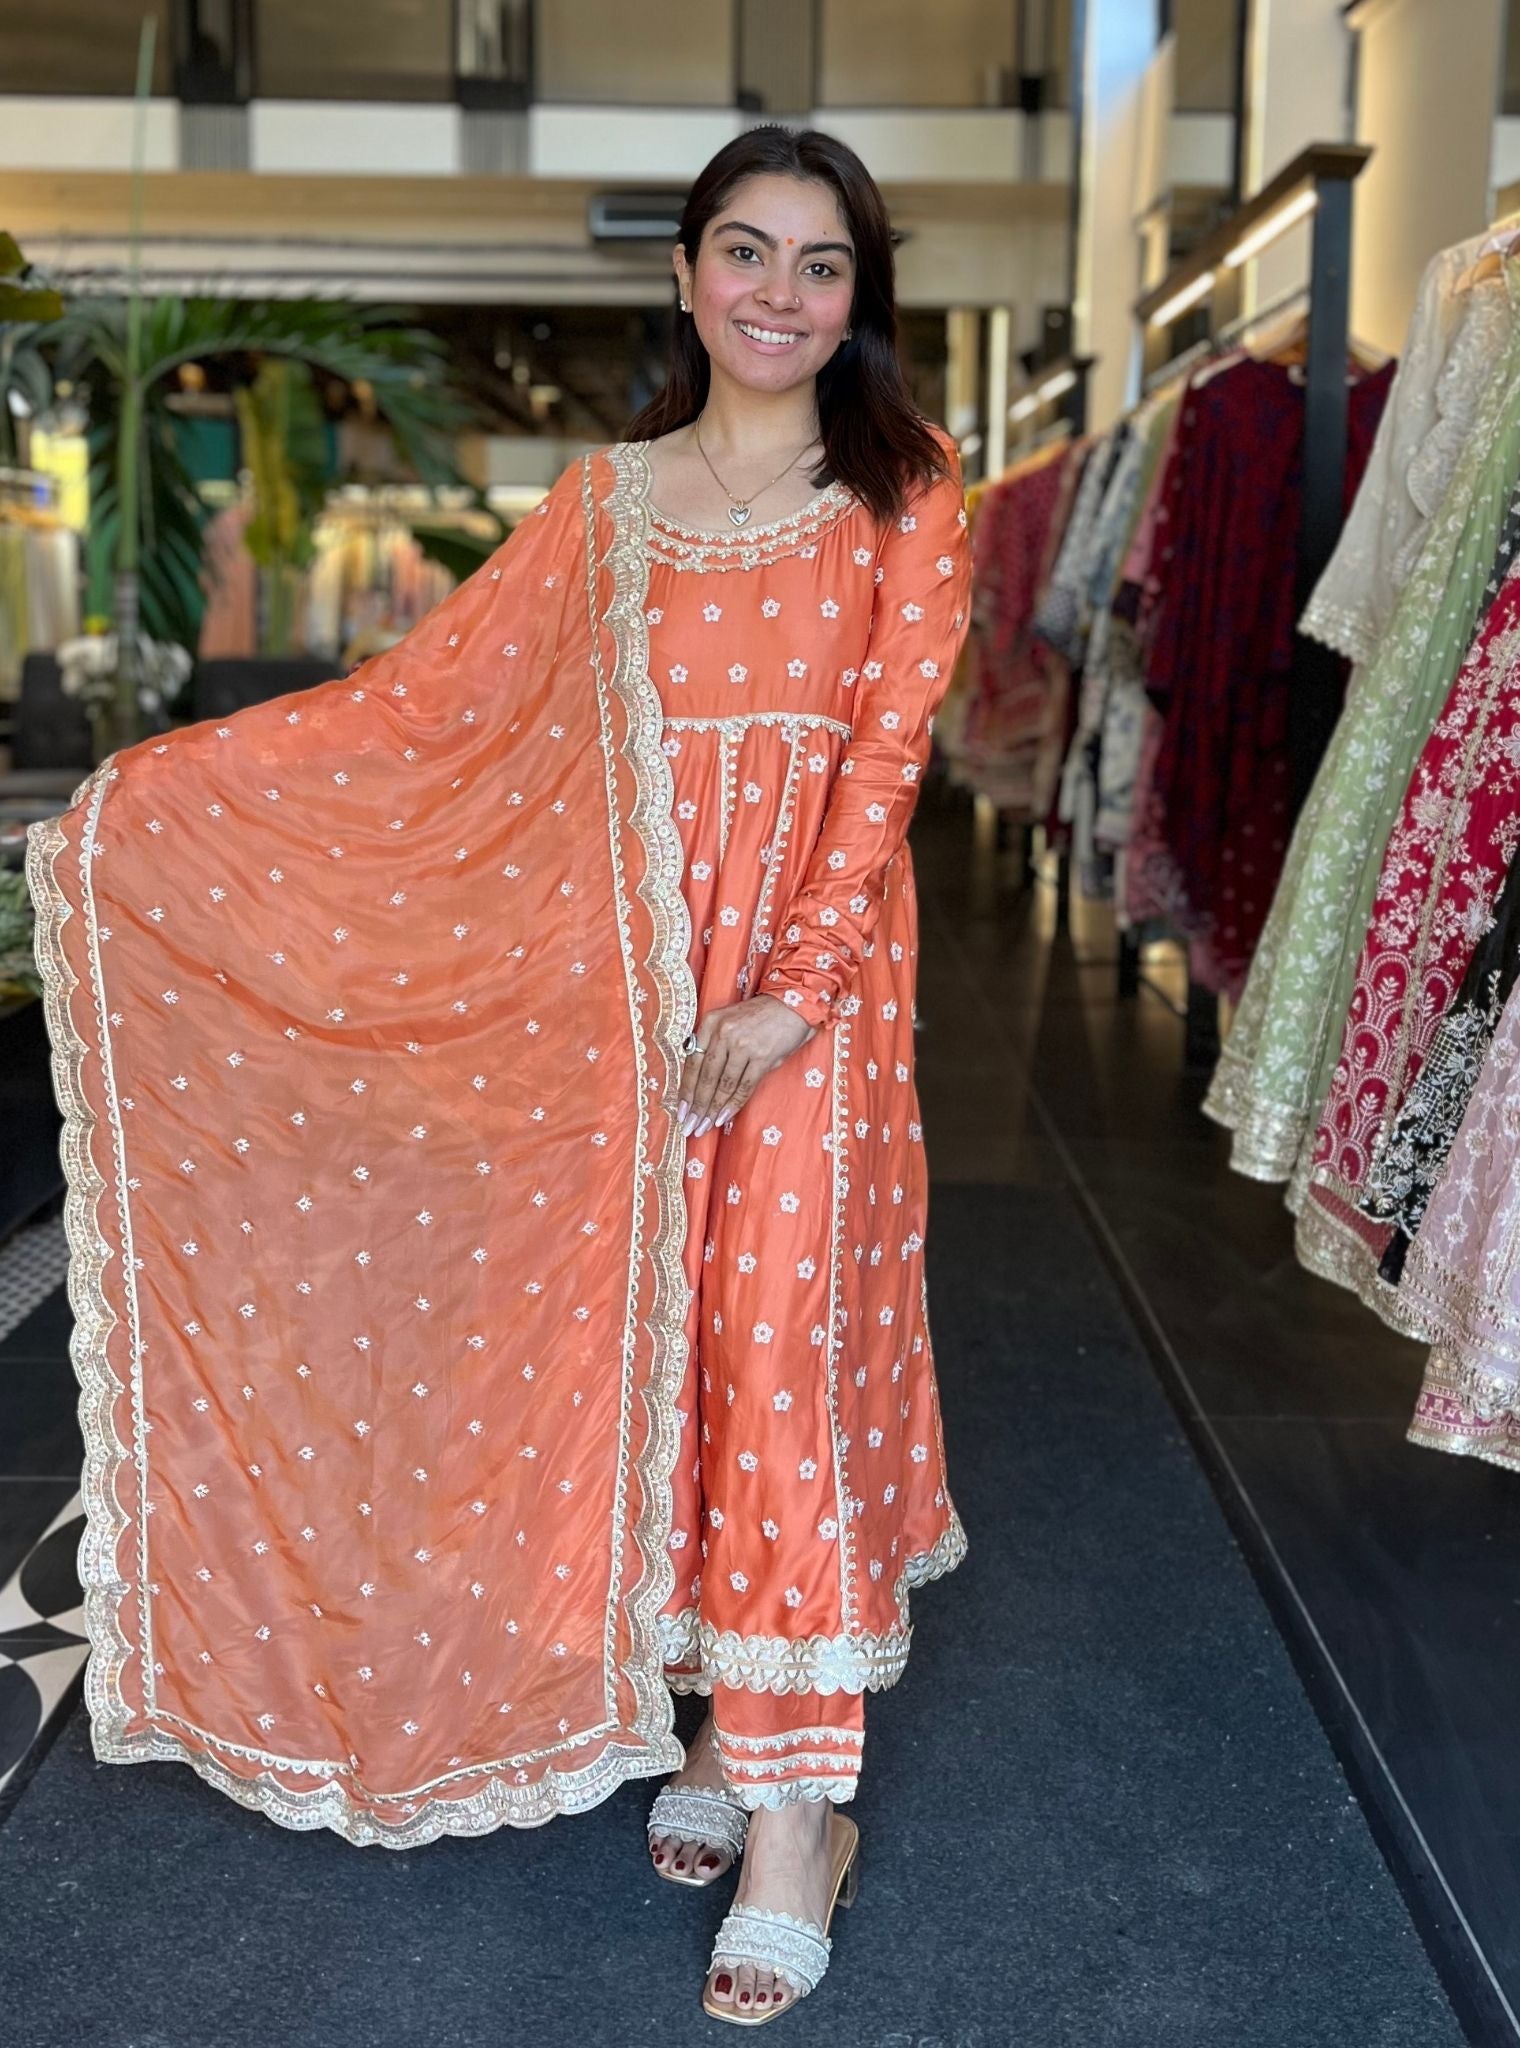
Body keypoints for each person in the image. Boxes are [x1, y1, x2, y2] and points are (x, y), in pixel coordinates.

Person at [26, 123, 970, 2027]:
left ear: (861, 297)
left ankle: (803, 1818)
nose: (780, 294)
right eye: (746, 253)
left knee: (775, 1350)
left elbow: (884, 762)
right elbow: (422, 710)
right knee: (656, 1355)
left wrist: (785, 989)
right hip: (618, 998)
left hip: (812, 1005)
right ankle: (723, 1728)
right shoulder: (603, 507)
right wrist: (155, 813)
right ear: (687, 276)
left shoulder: (906, 492)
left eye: (821, 264)